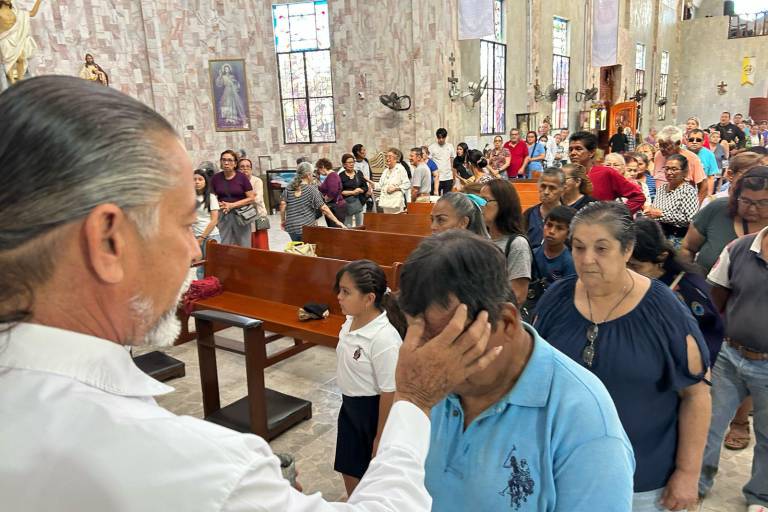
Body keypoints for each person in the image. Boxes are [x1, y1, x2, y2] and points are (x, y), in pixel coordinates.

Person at [0, 74, 506, 511]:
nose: (192, 251)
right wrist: (414, 401)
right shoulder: (188, 468)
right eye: (182, 225)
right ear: (109, 240)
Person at [395, 230, 635, 511]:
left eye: (451, 341)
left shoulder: (584, 422)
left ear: (507, 322)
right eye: (417, 336)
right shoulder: (424, 381)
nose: (431, 359)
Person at [534, 201, 711, 512]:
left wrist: (687, 473)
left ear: (627, 250)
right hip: (563, 471)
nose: (587, 260)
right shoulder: (556, 299)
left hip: (643, 481)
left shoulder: (663, 310)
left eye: (601, 249)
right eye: (578, 248)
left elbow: (696, 394)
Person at [698, 215, 768, 512]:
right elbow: (717, 300)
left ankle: (760, 496)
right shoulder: (739, 249)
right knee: (708, 424)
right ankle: (697, 482)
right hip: (730, 355)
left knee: (767, 434)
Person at [333, 260, 404, 495]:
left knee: (371, 475)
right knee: (348, 468)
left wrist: (380, 436)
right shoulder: (351, 320)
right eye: (339, 290)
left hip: (371, 412)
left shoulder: (384, 339)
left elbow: (390, 391)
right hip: (350, 406)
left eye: (346, 292)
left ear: (369, 298)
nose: (339, 297)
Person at [629, 218, 724, 366]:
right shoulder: (628, 282)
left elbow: (708, 335)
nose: (628, 273)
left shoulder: (688, 290)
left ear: (662, 256)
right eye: (624, 265)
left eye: (635, 266)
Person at [680, 155, 768, 271]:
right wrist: (687, 276)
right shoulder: (717, 208)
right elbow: (687, 247)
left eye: (762, 203)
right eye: (746, 201)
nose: (752, 209)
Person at [479, 179, 532, 307]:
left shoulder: (517, 244)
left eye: (485, 201)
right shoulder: (481, 239)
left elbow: (518, 296)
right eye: (478, 200)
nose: (480, 206)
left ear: (503, 204)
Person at [568, 131, 646, 214]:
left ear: (591, 152)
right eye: (570, 149)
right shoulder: (564, 175)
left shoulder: (606, 173)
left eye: (578, 149)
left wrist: (616, 215)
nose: (573, 153)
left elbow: (638, 197)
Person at [644, 154, 699, 249]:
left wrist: (662, 214)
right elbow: (655, 210)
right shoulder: (661, 188)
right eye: (667, 168)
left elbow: (690, 219)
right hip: (659, 235)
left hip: (677, 238)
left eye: (674, 169)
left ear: (684, 172)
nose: (669, 172)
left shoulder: (688, 191)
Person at [281, 162, 345, 241]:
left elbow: (283, 204)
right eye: (312, 173)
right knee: (308, 250)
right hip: (306, 227)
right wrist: (337, 221)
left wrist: (283, 220)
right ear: (308, 175)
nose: (313, 175)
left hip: (291, 227)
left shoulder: (289, 187)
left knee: (297, 249)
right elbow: (324, 208)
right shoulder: (311, 189)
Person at [210, 149, 255, 247]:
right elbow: (212, 197)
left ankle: (244, 262)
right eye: (223, 160)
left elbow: (251, 198)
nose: (226, 163)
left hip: (241, 215)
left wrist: (232, 205)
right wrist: (219, 204)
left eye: (230, 160)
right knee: (224, 243)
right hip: (223, 214)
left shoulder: (242, 177)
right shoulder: (215, 178)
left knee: (244, 244)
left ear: (235, 164)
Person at [653, 125, 707, 203]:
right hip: (660, 203)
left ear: (678, 143)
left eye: (666, 146)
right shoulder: (658, 155)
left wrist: (696, 207)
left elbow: (703, 186)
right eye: (660, 145)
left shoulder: (692, 159)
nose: (662, 149)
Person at [533, 205, 577, 286]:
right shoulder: (532, 254)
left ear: (569, 234)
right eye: (549, 225)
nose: (552, 231)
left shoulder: (570, 262)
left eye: (559, 228)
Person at [0, 0, 42, 84]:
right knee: (9, 62)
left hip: (15, 39)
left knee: (21, 59)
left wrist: (38, 1)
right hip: (4, 40)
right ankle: (12, 82)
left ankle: (20, 80)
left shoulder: (15, 11)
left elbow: (32, 13)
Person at [523, 167, 565, 249]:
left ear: (562, 189)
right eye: (543, 186)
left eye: (552, 188)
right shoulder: (528, 215)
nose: (546, 192)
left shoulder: (570, 217)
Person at [192, 169, 221, 279]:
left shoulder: (211, 197)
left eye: (200, 179)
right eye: (194, 180)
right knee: (199, 266)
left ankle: (215, 288)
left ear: (205, 182)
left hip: (210, 236)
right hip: (195, 236)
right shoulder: (189, 198)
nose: (197, 182)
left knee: (213, 265)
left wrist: (202, 238)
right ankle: (202, 288)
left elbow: (214, 220)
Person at [237, 157, 269, 248]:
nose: (245, 169)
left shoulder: (257, 181)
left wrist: (241, 201)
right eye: (242, 167)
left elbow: (257, 199)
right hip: (242, 218)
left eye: (248, 166)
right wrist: (250, 197)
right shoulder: (236, 182)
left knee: (260, 246)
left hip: (257, 216)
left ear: (251, 169)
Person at [375, 148, 410, 214]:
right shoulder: (386, 171)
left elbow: (407, 184)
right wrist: (372, 184)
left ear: (396, 159)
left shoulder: (400, 169)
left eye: (390, 157)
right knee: (387, 222)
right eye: (386, 156)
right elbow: (380, 185)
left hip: (395, 203)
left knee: (396, 223)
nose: (387, 158)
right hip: (386, 202)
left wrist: (395, 188)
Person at [686, 128, 719, 194]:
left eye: (698, 140)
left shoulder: (709, 155)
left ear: (703, 142)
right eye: (691, 139)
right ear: (687, 140)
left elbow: (710, 178)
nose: (694, 142)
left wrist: (708, 195)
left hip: (700, 191)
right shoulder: (681, 152)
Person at [338, 154, 368, 227]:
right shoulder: (340, 176)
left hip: (359, 203)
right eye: (349, 162)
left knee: (360, 225)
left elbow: (365, 187)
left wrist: (360, 190)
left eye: (353, 162)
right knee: (348, 226)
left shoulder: (359, 173)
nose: (351, 164)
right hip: (347, 204)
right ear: (344, 164)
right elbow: (339, 191)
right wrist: (352, 192)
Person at [214, 64, 248, 128]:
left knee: (233, 103)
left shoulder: (232, 76)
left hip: (232, 91)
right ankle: (228, 117)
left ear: (229, 69)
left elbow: (236, 84)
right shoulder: (223, 76)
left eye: (228, 69)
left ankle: (233, 118)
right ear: (224, 70)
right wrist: (220, 75)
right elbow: (219, 84)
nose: (227, 70)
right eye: (225, 69)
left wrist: (235, 83)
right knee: (226, 103)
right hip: (226, 91)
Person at [317, 157, 345, 229]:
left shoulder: (332, 176)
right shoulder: (331, 176)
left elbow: (333, 192)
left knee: (335, 230)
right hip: (335, 206)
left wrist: (325, 200)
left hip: (335, 207)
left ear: (323, 167)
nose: (319, 172)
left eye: (319, 169)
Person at [428, 128, 456, 195]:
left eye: (442, 138)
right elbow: (428, 162)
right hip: (436, 178)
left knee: (447, 199)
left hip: (448, 177)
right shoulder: (432, 147)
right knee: (434, 199)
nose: (441, 139)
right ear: (437, 137)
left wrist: (454, 176)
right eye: (439, 138)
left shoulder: (450, 146)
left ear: (445, 137)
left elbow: (453, 161)